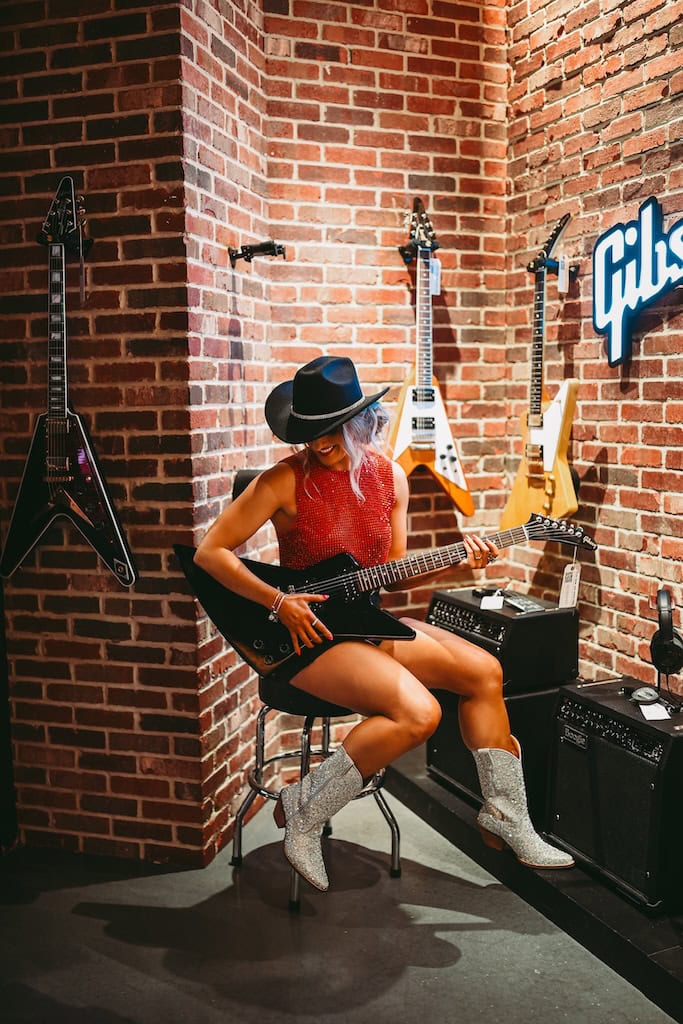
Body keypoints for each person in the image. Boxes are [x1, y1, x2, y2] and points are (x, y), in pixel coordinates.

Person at [194, 356, 574, 890]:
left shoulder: (390, 478)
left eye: (330, 431)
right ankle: (305, 806)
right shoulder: (284, 481)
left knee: (485, 672)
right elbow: (210, 554)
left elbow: (389, 574)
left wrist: (463, 560)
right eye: (309, 433)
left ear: (359, 421)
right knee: (418, 715)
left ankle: (505, 816)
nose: (319, 444)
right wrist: (279, 602)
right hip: (304, 634)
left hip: (363, 622)